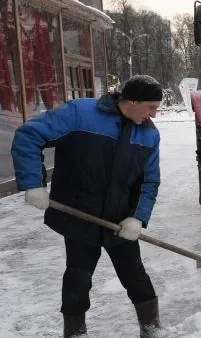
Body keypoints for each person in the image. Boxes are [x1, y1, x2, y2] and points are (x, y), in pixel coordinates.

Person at [11, 75, 163, 337]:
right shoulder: (80, 114)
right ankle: (75, 333)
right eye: (151, 107)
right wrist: (33, 183)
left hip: (119, 221)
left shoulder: (148, 134)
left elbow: (149, 181)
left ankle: (152, 330)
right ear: (133, 100)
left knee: (136, 277)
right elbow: (29, 135)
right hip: (79, 217)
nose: (154, 115)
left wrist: (137, 218)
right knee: (78, 281)